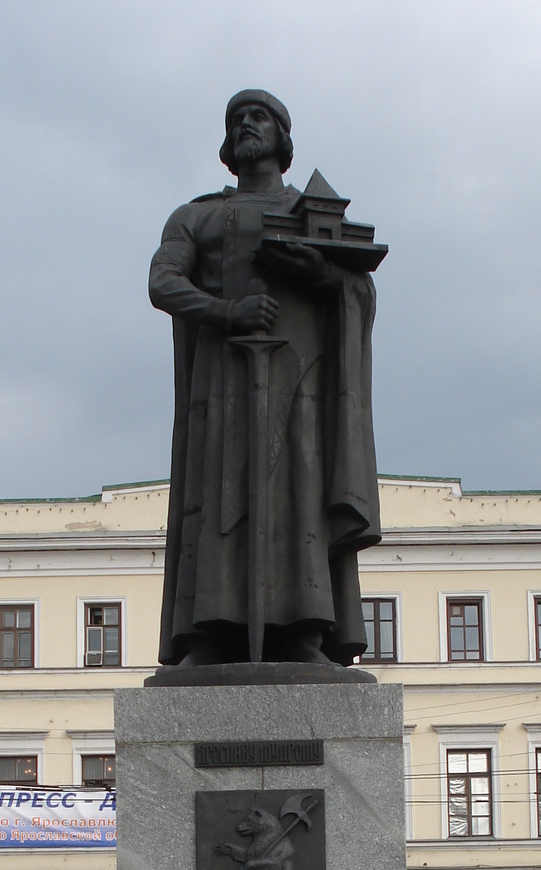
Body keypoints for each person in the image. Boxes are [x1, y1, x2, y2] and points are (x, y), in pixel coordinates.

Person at [149, 90, 382, 667]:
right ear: (227, 146)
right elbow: (162, 282)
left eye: (260, 118)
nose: (247, 126)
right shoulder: (194, 216)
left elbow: (359, 289)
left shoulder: (314, 214)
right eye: (237, 121)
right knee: (217, 495)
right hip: (221, 395)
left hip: (300, 389)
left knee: (297, 494)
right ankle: (209, 632)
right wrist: (228, 311)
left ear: (283, 138)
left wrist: (324, 274)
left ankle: (305, 630)